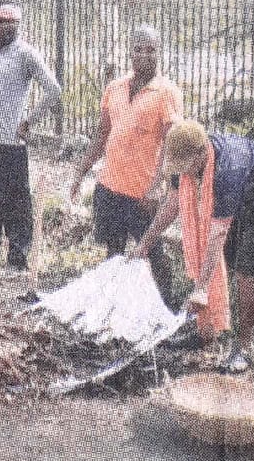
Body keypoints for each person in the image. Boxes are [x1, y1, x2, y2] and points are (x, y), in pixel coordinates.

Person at [135, 120, 254, 374]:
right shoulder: (190, 158)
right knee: (223, 261)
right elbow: (172, 204)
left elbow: (217, 234)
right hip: (247, 195)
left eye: (185, 166)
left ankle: (243, 348)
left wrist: (201, 289)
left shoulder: (227, 169)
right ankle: (206, 334)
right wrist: (144, 244)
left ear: (201, 153)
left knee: (245, 270)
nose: (183, 173)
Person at [70, 25, 182, 304]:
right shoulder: (114, 88)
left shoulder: (167, 93)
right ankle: (113, 307)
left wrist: (157, 186)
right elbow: (101, 134)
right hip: (110, 186)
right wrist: (81, 171)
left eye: (151, 50)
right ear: (129, 52)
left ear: (160, 53)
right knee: (113, 252)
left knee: (154, 252)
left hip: (142, 193)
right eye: (139, 49)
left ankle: (167, 310)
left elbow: (171, 145)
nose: (144, 56)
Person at [0, 0, 62, 273]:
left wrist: (29, 121)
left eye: (13, 22)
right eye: (2, 22)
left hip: (12, 140)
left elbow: (53, 90)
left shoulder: (26, 54)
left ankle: (18, 257)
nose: (8, 27)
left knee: (16, 199)